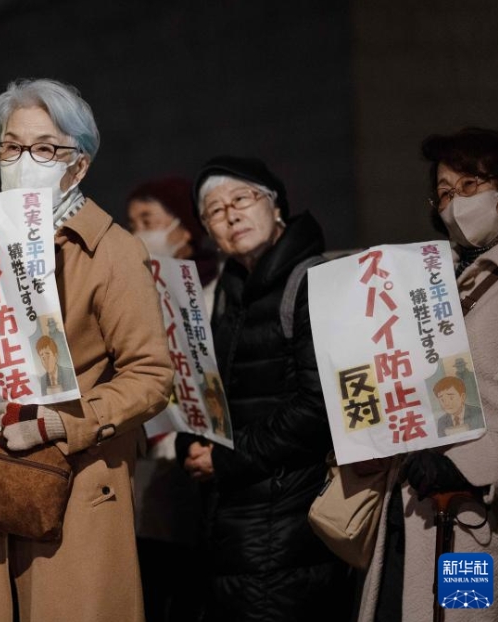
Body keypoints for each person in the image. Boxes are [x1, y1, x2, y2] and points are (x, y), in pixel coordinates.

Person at [0, 78, 173, 622]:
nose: (24, 160)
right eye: (11, 146)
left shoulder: (111, 250)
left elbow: (150, 375)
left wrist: (66, 424)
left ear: (79, 164)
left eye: (45, 148)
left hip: (78, 483)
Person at [184, 156, 351, 621]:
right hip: (233, 525)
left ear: (275, 207)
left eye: (241, 198)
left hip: (292, 521)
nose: (231, 214)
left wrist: (223, 458)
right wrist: (192, 439)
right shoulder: (228, 291)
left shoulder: (314, 281)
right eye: (214, 211)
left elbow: (319, 410)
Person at [357, 127, 498, 622]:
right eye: (444, 192)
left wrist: (474, 466)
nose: (455, 203)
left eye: (471, 186)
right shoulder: (432, 286)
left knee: (463, 615)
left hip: (474, 518)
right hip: (412, 508)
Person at [124, 175, 217, 622]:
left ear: (185, 225)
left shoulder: (219, 288)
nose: (139, 232)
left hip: (205, 459)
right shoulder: (136, 292)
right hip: (154, 463)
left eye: (148, 219)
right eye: (132, 222)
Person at [127, 175, 221, 311]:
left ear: (185, 230)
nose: (136, 235)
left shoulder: (218, 288)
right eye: (132, 227)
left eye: (147, 223)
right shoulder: (132, 288)